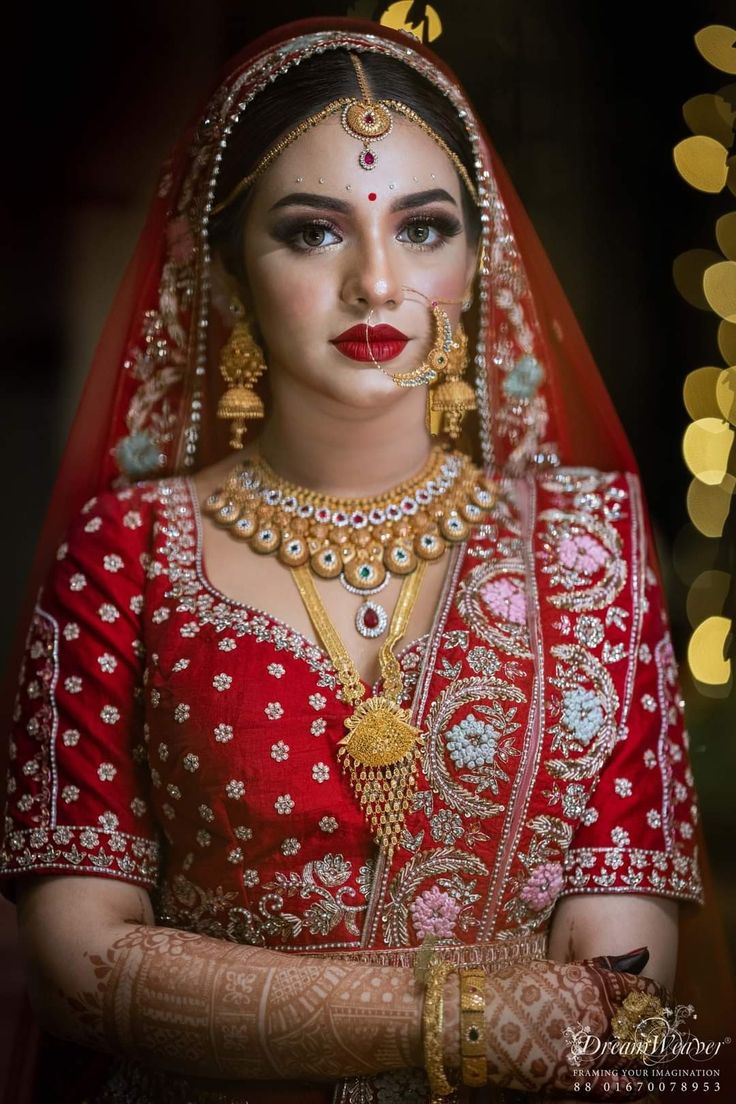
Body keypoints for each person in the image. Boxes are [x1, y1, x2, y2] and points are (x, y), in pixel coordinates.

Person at [0, 15, 730, 1104]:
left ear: (479, 260)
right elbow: (77, 966)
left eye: (425, 228)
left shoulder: (587, 545)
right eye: (313, 232)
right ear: (228, 267)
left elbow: (621, 993)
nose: (378, 282)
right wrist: (459, 1015)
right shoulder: (128, 552)